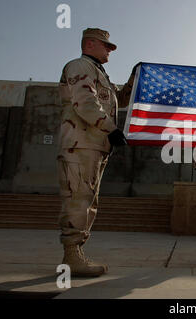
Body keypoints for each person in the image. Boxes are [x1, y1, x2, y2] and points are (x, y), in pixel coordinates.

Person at [57, 28, 135, 277]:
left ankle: (76, 253)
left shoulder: (100, 73)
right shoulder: (80, 66)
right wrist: (111, 128)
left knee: (88, 199)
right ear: (90, 44)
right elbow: (85, 101)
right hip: (80, 143)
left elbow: (119, 100)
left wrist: (135, 78)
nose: (110, 50)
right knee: (79, 197)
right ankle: (71, 255)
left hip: (95, 146)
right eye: (106, 46)